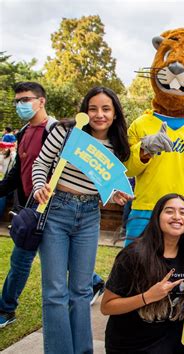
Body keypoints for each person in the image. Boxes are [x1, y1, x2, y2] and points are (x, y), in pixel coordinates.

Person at [32, 86, 132, 353]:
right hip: (56, 211)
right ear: (84, 111)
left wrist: (114, 196)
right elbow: (40, 164)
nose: (99, 114)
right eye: (93, 108)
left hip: (89, 216)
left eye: (106, 109)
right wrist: (40, 185)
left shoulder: (118, 146)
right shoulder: (66, 133)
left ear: (115, 114)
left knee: (81, 292)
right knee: (54, 292)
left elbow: (103, 186)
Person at [101, 193, 184, 353]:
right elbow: (107, 307)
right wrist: (147, 297)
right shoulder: (133, 255)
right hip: (135, 343)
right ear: (157, 217)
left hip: (175, 339)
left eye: (183, 212)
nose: (177, 217)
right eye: (169, 211)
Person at [0, 82, 57, 329]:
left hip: (47, 207)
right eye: (17, 101)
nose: (20, 105)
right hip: (26, 207)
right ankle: (95, 281)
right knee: (52, 256)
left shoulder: (55, 131)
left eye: (25, 99)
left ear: (41, 101)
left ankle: (5, 310)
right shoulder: (23, 132)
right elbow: (15, 174)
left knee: (21, 259)